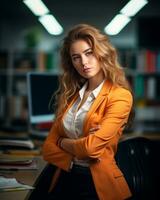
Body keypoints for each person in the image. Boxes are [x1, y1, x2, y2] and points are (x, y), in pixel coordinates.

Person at [42, 24, 133, 200]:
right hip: (64, 176)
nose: (83, 62)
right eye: (76, 57)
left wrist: (61, 141)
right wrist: (80, 143)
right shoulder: (70, 96)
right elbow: (47, 149)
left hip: (97, 185)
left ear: (102, 53)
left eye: (89, 53)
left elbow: (90, 149)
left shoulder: (120, 96)